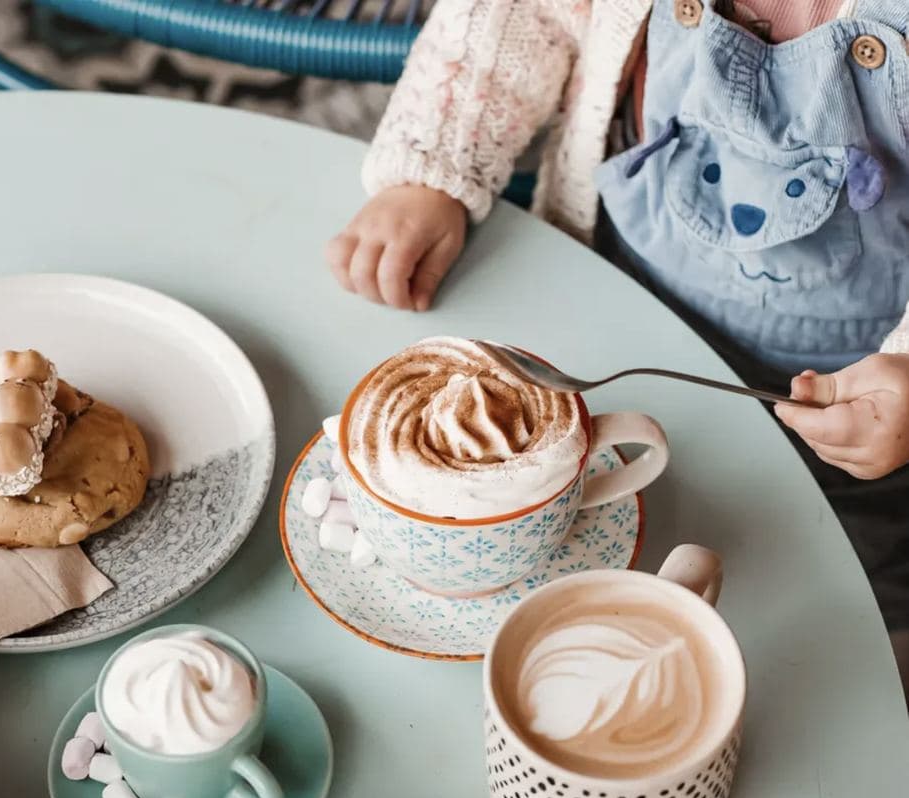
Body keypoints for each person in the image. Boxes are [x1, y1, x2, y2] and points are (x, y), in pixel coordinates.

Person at [326, 0, 909, 687]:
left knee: (827, 615)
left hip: (851, 396)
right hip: (616, 303)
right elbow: (525, 15)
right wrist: (434, 166)